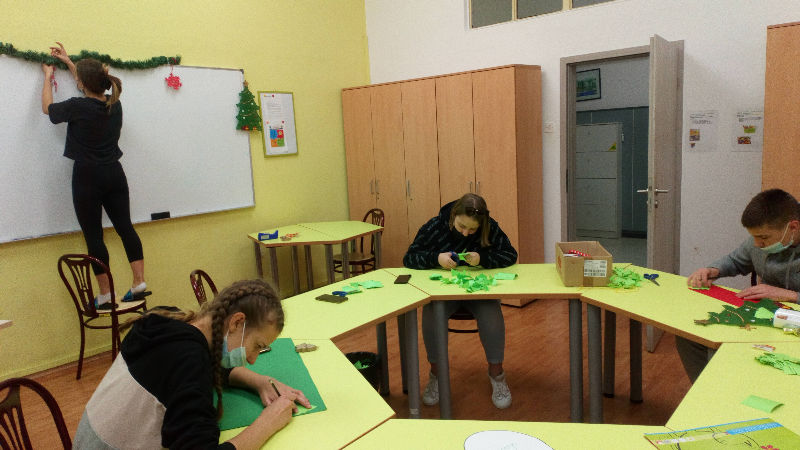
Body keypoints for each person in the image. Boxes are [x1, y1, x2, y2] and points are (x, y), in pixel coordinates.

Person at [73, 279, 310, 449]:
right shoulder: (189, 360)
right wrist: (267, 423)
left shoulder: (169, 321)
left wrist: (258, 381)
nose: (252, 359)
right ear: (237, 322)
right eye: (257, 345)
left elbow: (206, 367)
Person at [41, 42, 147, 308]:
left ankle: (105, 294)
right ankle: (139, 282)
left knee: (94, 236)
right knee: (125, 227)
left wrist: (47, 77)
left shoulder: (78, 106)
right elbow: (89, 85)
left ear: (82, 83)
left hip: (87, 176)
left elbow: (47, 109)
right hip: (114, 173)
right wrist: (69, 62)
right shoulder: (115, 104)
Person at [403, 193, 518, 409]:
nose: (466, 233)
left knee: (492, 316)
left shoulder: (490, 227)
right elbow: (409, 258)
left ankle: (497, 375)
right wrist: (435, 258)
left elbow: (510, 255)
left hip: (478, 293)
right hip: (444, 293)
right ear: (453, 215)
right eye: (461, 226)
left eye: (472, 229)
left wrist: (483, 259)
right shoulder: (435, 226)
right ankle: (436, 375)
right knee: (431, 314)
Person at [681, 188, 800, 382]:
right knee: (690, 336)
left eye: (763, 238)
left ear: (793, 227)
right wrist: (712, 270)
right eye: (754, 237)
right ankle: (710, 391)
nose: (757, 244)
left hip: (794, 324)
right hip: (767, 316)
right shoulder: (760, 240)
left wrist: (791, 295)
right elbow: (736, 260)